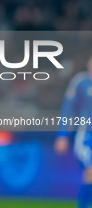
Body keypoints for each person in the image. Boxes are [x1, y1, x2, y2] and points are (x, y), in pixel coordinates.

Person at [54, 54, 92, 208]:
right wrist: (62, 135)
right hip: (85, 135)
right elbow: (66, 109)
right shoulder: (80, 82)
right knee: (90, 172)